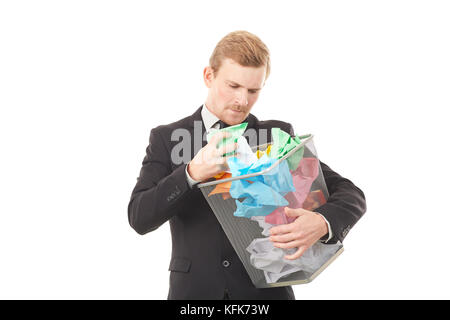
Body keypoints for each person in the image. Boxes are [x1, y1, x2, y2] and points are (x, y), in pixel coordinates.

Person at [127, 30, 366, 300]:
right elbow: (139, 216)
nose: (243, 100)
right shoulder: (167, 138)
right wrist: (190, 174)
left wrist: (322, 222)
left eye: (253, 90)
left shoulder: (276, 136)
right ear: (209, 76)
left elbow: (350, 193)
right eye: (233, 86)